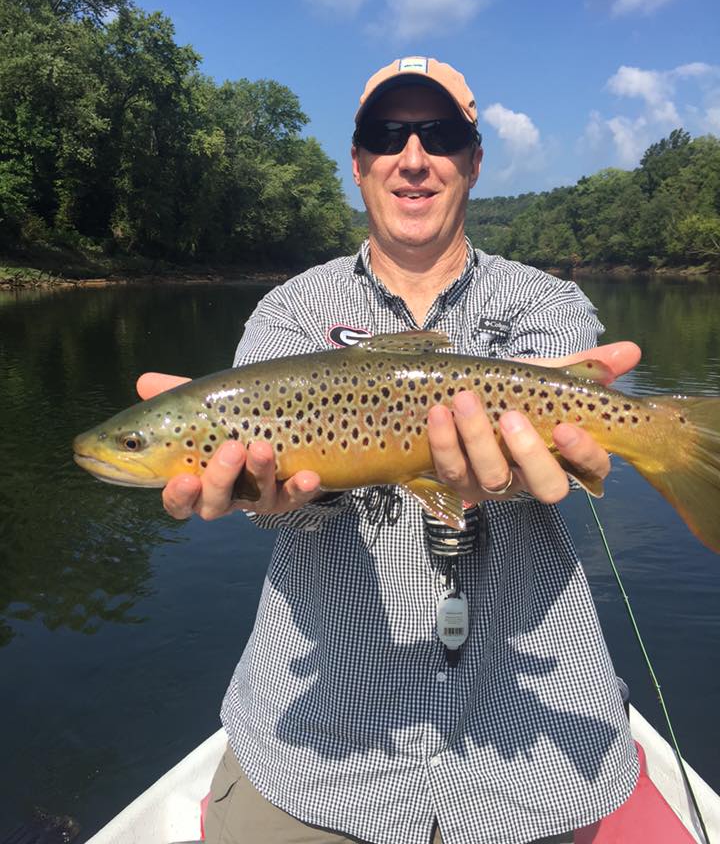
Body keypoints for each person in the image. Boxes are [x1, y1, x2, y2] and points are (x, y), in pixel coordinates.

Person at [138, 57, 640, 844]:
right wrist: (282, 501)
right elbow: (273, 505)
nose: (413, 157)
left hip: (527, 755)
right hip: (317, 753)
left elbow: (561, 440)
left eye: (439, 135)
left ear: (474, 161)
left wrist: (524, 457)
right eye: (386, 134)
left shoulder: (545, 300)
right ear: (358, 162)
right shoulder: (290, 312)